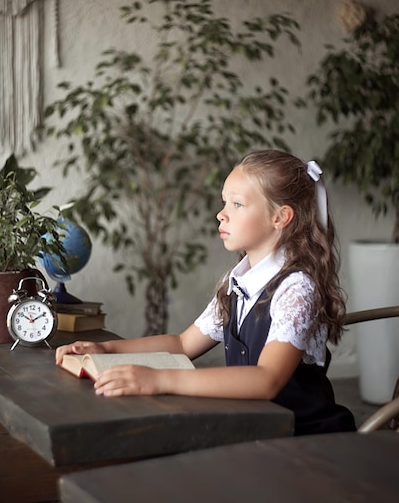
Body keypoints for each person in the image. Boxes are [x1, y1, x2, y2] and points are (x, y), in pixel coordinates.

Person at [56, 149, 356, 435]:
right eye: (224, 203)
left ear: (280, 217)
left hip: (304, 438)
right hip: (255, 426)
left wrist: (160, 379)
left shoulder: (296, 289)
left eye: (237, 204)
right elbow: (183, 343)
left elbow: (267, 380)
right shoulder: (238, 281)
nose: (221, 215)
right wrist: (107, 350)